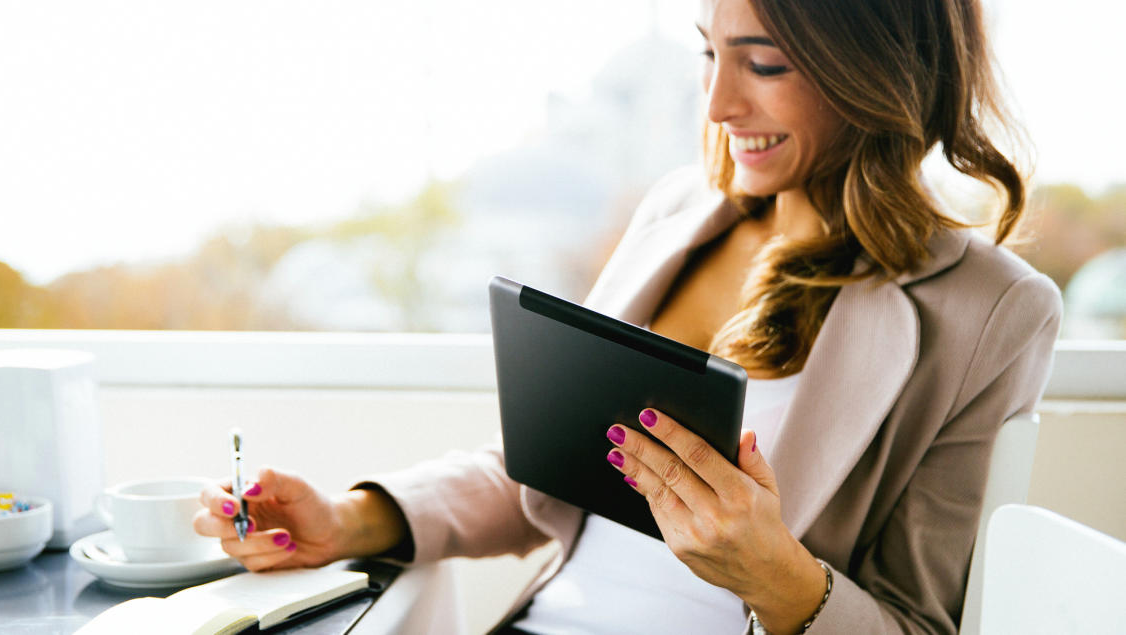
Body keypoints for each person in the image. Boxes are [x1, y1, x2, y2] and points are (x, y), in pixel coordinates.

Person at [193, 0, 1061, 632]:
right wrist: (348, 518)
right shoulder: (680, 214)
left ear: (875, 74)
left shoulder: (991, 311)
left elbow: (920, 622)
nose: (719, 105)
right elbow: (558, 465)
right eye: (709, 55)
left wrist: (783, 580)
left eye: (763, 64)